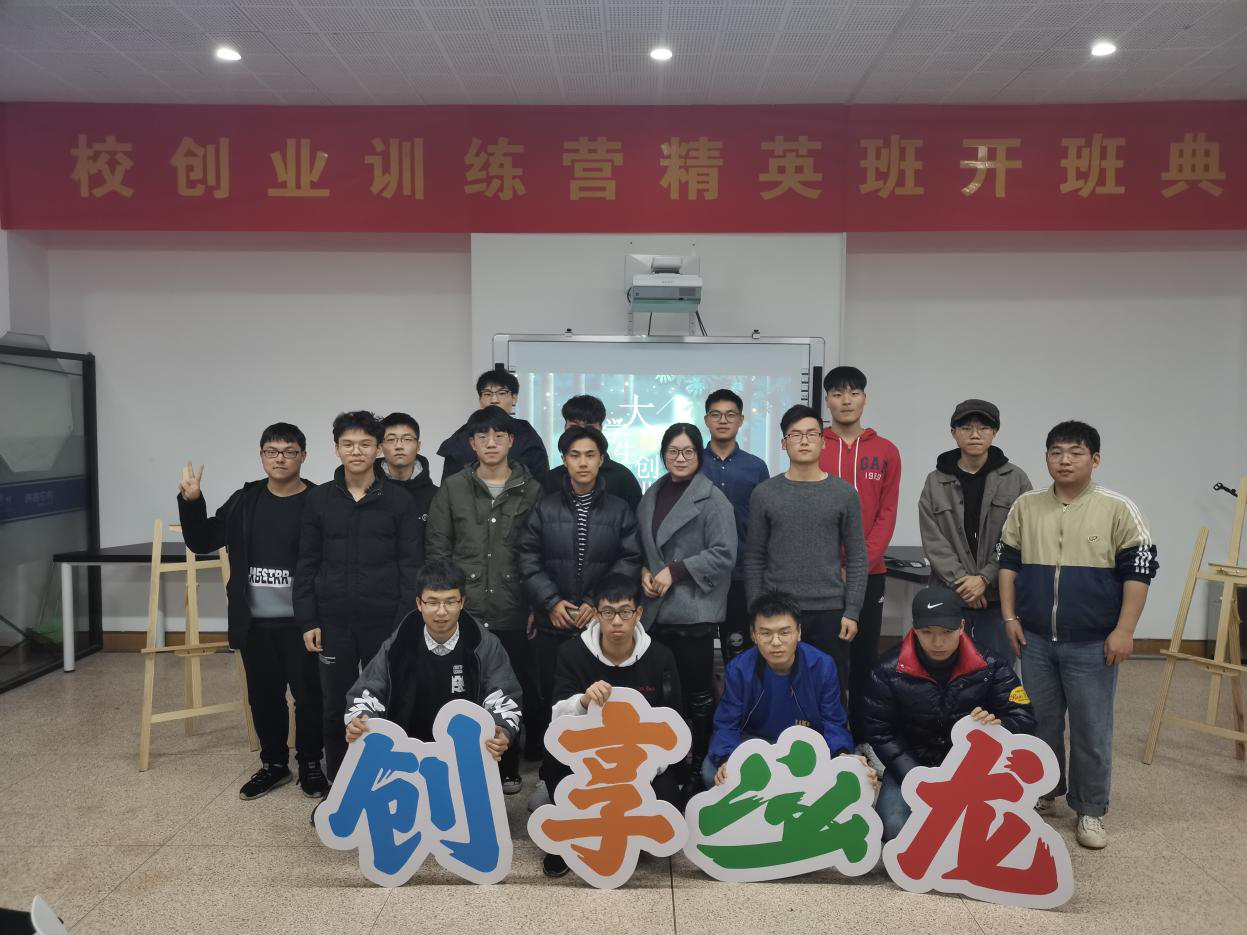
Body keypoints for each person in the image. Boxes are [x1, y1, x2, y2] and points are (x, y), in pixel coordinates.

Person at [999, 420, 1157, 850]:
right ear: (1046, 457)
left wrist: (1125, 630)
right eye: (1056, 452)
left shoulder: (1118, 508)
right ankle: (1044, 790)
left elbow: (1140, 573)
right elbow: (1008, 564)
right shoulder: (1026, 506)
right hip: (1035, 640)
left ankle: (1090, 808)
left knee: (1091, 728)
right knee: (1039, 722)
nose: (1064, 460)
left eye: (1075, 452)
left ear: (1095, 459)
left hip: (1092, 643)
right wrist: (1010, 618)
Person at [176, 422, 327, 801]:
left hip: (304, 623)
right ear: (261, 456)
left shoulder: (319, 501)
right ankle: (274, 764)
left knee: (310, 696)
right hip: (255, 623)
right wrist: (192, 501)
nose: (280, 458)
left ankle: (311, 762)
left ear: (303, 456)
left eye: (289, 451)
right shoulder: (245, 501)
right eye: (271, 451)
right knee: (264, 697)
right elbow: (202, 540)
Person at [294, 410, 423, 783]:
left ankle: (391, 780)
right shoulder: (318, 499)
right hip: (333, 620)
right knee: (336, 704)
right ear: (336, 449)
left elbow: (411, 567)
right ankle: (341, 782)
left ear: (378, 448)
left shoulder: (399, 501)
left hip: (386, 620)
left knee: (391, 700)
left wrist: (403, 625)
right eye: (348, 444)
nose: (356, 451)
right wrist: (308, 619)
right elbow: (307, 563)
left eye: (365, 444)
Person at [515, 425, 641, 796]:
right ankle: (551, 774)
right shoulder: (545, 507)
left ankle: (601, 774)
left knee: (601, 702)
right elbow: (527, 556)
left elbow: (629, 559)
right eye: (574, 455)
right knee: (554, 701)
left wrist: (593, 603)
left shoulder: (619, 510)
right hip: (552, 623)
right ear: (564, 461)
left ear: (601, 460)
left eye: (590, 455)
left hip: (600, 625)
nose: (582, 462)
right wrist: (550, 601)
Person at [425, 406, 544, 795]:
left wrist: (534, 604)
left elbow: (538, 552)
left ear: (511, 441)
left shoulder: (532, 489)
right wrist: (446, 605)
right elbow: (438, 549)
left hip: (514, 608)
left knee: (508, 689)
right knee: (463, 688)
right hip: (467, 609)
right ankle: (462, 763)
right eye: (482, 437)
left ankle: (507, 765)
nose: (491, 443)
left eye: (498, 436)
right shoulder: (453, 488)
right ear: (471, 444)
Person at [863, 585, 1037, 841]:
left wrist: (999, 726)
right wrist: (916, 776)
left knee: (993, 831)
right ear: (914, 629)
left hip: (973, 769)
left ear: (962, 627)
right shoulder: (886, 671)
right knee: (894, 827)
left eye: (947, 632)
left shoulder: (992, 666)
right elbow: (880, 732)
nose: (938, 642)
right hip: (912, 764)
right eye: (927, 632)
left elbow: (1024, 717)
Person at [541, 573, 684, 877]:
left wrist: (646, 769)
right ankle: (565, 840)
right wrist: (582, 701)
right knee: (553, 763)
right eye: (608, 612)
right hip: (588, 762)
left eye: (625, 612)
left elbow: (673, 724)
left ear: (638, 613)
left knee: (669, 803)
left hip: (639, 762)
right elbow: (556, 721)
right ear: (596, 614)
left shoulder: (660, 657)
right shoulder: (572, 653)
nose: (617, 621)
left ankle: (617, 828)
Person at [743, 404, 867, 702]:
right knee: (776, 693)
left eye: (812, 434)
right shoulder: (765, 493)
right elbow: (754, 557)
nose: (804, 441)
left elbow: (857, 557)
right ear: (783, 443)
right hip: (777, 612)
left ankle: (831, 735)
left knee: (829, 693)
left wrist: (851, 611)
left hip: (830, 612)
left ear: (823, 442)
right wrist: (756, 611)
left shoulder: (844, 493)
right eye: (795, 435)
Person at [344, 559, 522, 765]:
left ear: (462, 602)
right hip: (406, 751)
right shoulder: (398, 645)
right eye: (433, 602)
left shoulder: (485, 645)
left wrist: (501, 730)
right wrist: (360, 719)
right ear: (419, 603)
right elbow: (368, 690)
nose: (441, 611)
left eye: (450, 601)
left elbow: (504, 693)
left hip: (467, 755)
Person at [637, 422, 736, 784]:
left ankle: (699, 762)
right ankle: (666, 762)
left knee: (697, 693)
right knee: (660, 694)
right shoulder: (652, 493)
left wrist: (676, 571)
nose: (680, 458)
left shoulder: (713, 499)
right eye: (673, 451)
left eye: (688, 451)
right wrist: (644, 571)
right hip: (655, 610)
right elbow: (644, 547)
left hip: (693, 612)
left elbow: (725, 554)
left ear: (699, 455)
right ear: (663, 454)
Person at [703, 592, 875, 791]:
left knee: (848, 773)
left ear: (799, 632)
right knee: (711, 773)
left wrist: (841, 755)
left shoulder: (822, 666)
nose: (776, 642)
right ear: (753, 635)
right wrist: (727, 759)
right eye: (766, 633)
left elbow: (833, 721)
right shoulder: (739, 669)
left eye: (784, 633)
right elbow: (726, 724)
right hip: (755, 741)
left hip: (805, 745)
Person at [819, 365, 901, 751]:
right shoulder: (814, 445)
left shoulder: (886, 451)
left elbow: (887, 513)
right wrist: (828, 565)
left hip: (870, 573)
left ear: (865, 398)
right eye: (837, 393)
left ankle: (865, 739)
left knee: (865, 659)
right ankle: (829, 740)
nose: (846, 400)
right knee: (827, 658)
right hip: (822, 575)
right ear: (827, 400)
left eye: (853, 392)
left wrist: (858, 566)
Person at [918, 399, 1032, 665]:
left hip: (998, 597)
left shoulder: (1016, 479)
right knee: (945, 667)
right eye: (966, 427)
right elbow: (933, 539)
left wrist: (984, 578)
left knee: (997, 669)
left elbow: (1020, 538)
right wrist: (963, 582)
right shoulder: (935, 481)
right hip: (948, 596)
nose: (975, 434)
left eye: (983, 427)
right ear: (953, 433)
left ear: (995, 432)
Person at [701, 388, 770, 665]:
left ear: (741, 420)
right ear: (706, 420)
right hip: (700, 576)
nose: (723, 420)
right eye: (716, 414)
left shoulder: (756, 467)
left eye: (730, 415)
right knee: (698, 657)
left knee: (738, 652)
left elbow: (765, 522)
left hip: (741, 574)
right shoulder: (692, 463)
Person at [437, 369, 550, 485]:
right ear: (480, 399)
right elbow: (449, 488)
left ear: (514, 398)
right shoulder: (461, 438)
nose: (494, 400)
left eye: (502, 393)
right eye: (487, 394)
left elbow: (541, 485)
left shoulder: (527, 436)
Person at [544, 394, 642, 511]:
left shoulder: (623, 478)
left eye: (589, 428)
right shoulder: (551, 479)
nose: (581, 433)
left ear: (601, 428)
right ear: (564, 427)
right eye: (574, 427)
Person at [377, 411, 438, 536]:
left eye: (407, 439)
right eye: (391, 439)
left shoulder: (437, 496)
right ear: (381, 446)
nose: (399, 446)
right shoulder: (368, 492)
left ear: (418, 446)